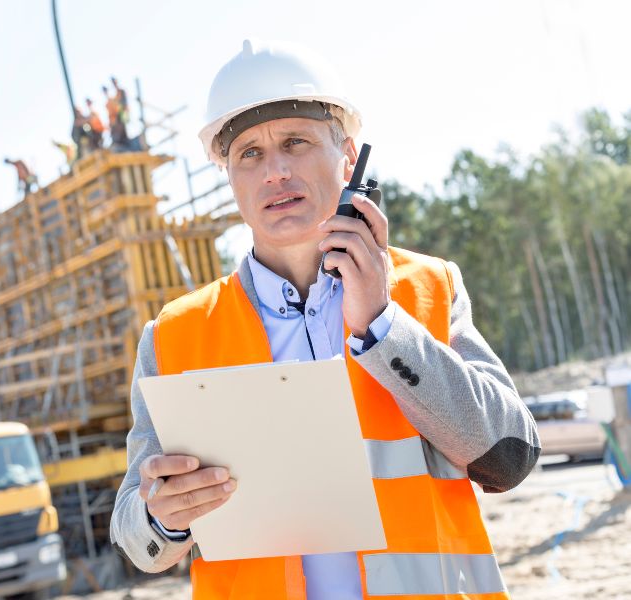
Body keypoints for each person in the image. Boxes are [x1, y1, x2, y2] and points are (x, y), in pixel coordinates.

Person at [110, 40, 540, 599]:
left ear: (349, 155)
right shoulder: (175, 335)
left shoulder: (426, 289)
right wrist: (163, 515)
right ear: (230, 178)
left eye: (296, 142)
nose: (275, 171)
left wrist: (383, 326)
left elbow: (508, 458)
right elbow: (134, 537)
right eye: (250, 155)